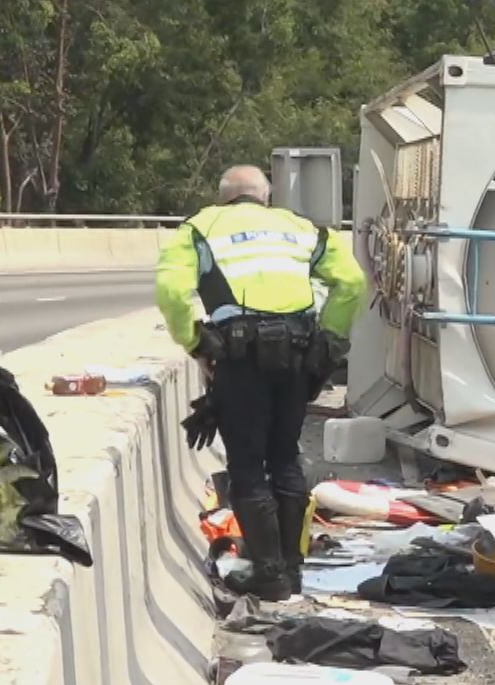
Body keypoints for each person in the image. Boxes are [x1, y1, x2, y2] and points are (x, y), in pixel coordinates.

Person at [156, 165, 367, 600]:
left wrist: (196, 342)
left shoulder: (201, 226)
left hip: (240, 358)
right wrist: (328, 342)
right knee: (286, 456)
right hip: (296, 355)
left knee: (248, 463)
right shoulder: (301, 228)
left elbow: (171, 292)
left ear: (223, 199)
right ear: (266, 198)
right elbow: (351, 282)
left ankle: (267, 572)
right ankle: (292, 568)